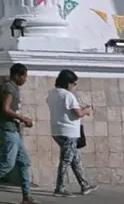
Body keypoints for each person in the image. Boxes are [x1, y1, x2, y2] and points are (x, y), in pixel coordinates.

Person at [0, 63, 36, 203]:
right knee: (8, 163)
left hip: (13, 130)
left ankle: (26, 196)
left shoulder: (13, 87)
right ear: (16, 75)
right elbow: (6, 109)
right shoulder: (9, 87)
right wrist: (23, 119)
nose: (25, 79)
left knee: (24, 163)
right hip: (8, 130)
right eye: (24, 76)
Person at [46, 69, 98, 197]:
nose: (74, 86)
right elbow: (78, 113)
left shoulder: (52, 94)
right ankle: (60, 188)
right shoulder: (68, 95)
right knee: (66, 160)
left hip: (57, 130)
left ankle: (84, 185)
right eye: (74, 84)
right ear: (68, 83)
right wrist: (86, 110)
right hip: (69, 132)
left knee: (75, 158)